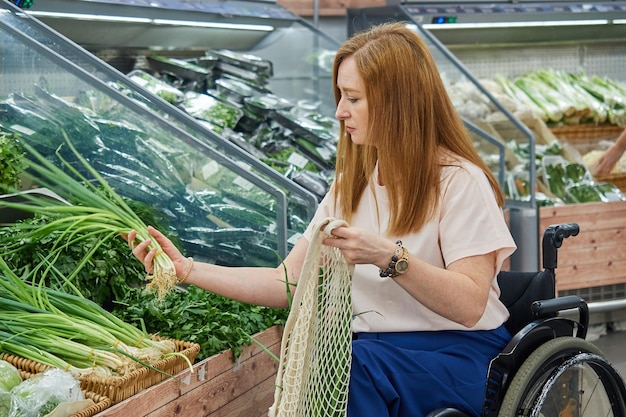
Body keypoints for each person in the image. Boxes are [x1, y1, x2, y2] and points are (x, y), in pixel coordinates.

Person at [128, 22, 517, 417]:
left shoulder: (460, 181)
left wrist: (388, 256)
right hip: (372, 356)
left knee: (351, 368)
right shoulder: (350, 188)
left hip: (460, 352)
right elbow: (287, 283)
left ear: (397, 102)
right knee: (338, 365)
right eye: (340, 96)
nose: (339, 112)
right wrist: (187, 269)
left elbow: (469, 304)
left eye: (353, 98)